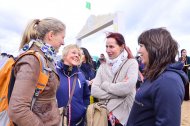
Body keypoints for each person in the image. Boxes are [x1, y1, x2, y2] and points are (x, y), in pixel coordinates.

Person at [8, 17, 65, 126]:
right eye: (62, 37)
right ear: (51, 35)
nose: (63, 42)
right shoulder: (32, 60)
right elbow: (17, 109)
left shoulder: (46, 58)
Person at [127, 28, 189, 126]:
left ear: (154, 48)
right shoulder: (157, 74)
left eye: (141, 46)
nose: (139, 50)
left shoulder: (168, 81)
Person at [91, 32, 139, 126]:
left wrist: (104, 85)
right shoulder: (103, 66)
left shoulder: (131, 63)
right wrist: (118, 94)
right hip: (104, 114)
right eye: (106, 46)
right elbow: (94, 90)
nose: (108, 50)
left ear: (121, 47)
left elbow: (126, 88)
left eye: (111, 46)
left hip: (123, 115)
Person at [56, 44, 90, 126]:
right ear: (64, 55)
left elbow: (86, 96)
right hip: (58, 121)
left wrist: (83, 109)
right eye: (73, 52)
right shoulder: (54, 73)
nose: (77, 55)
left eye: (79, 54)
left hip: (78, 122)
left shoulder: (80, 75)